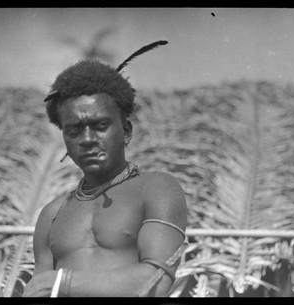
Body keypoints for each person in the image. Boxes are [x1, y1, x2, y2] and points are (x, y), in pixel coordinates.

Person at [23, 41, 187, 297]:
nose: (87, 139)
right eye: (74, 129)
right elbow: (38, 292)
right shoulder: (52, 215)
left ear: (126, 131)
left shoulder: (156, 188)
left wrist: (61, 283)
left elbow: (156, 282)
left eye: (100, 125)